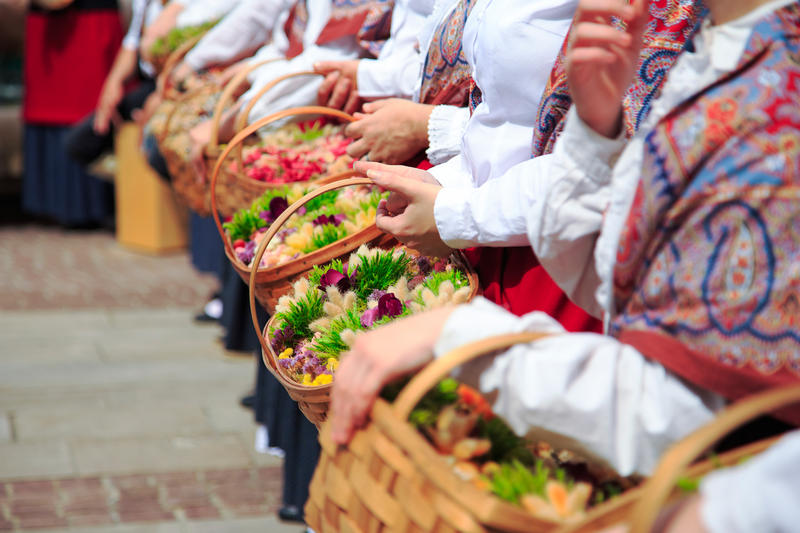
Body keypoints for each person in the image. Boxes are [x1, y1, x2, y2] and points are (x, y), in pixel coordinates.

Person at [330, 0, 800, 476]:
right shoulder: (726, 42)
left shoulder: (777, 89)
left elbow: (683, 416)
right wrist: (595, 136)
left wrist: (459, 338)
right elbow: (616, 273)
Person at [353, 0, 704, 330]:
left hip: (562, 261)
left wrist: (455, 213)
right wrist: (445, 184)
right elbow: (498, 112)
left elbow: (625, 155)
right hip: (491, 227)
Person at [21, 0, 123, 227]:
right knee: (50, 110)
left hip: (84, 24)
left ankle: (94, 205)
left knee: (83, 107)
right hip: (49, 28)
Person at [63, 0, 163, 169]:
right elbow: (132, 42)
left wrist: (161, 93)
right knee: (81, 143)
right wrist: (113, 82)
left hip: (176, 84)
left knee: (157, 157)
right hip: (149, 83)